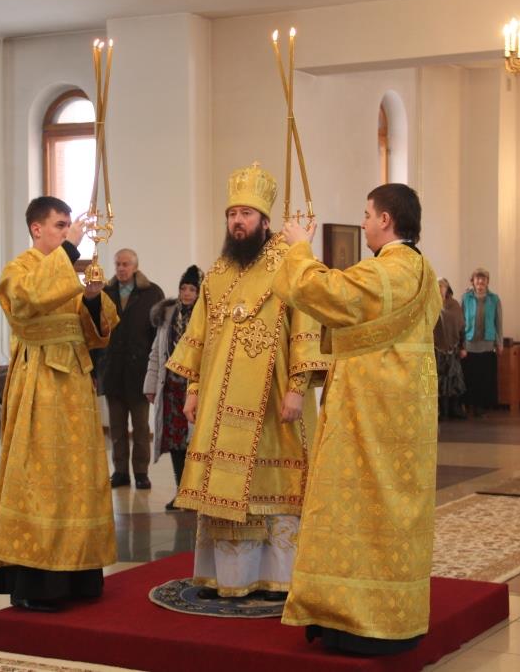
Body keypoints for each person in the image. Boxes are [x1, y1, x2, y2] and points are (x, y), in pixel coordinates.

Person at [274, 183, 442, 655]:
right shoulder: (424, 271)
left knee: (355, 509)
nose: (364, 223)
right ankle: (382, 611)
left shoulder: (389, 269)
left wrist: (300, 249)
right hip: (402, 412)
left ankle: (356, 619)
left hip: (370, 412)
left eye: (367, 215)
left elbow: (327, 294)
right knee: (387, 513)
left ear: (386, 220)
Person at [166, 162, 329, 600]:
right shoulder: (218, 272)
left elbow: (306, 327)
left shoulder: (290, 263)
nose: (238, 222)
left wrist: (297, 388)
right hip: (218, 404)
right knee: (222, 489)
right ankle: (228, 576)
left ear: (264, 221)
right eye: (232, 214)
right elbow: (198, 336)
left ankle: (279, 577)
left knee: (273, 490)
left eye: (246, 214)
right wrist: (193, 391)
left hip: (275, 401)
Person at [0, 196, 119, 612]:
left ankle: (79, 575)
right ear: (36, 228)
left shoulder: (68, 273)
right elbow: (27, 300)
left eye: (68, 226)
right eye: (60, 225)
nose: (66, 232)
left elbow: (98, 333)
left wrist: (94, 298)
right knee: (40, 479)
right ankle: (37, 580)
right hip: (40, 385)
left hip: (75, 388)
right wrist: (70, 250)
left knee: (78, 480)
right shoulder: (20, 269)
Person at [101, 249, 164, 489]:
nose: (121, 268)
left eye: (125, 264)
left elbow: (159, 334)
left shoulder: (152, 292)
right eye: (117, 264)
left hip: (140, 372)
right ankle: (120, 472)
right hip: (113, 370)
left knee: (140, 428)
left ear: (135, 266)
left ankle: (140, 472)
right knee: (116, 428)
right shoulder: (105, 292)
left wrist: (157, 371)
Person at [144, 264, 203, 511]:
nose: (187, 293)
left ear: (199, 292)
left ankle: (196, 493)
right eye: (183, 288)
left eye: (192, 289)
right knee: (176, 443)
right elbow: (156, 352)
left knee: (194, 443)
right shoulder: (168, 316)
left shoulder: (205, 317)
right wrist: (150, 384)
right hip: (170, 388)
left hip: (195, 389)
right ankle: (181, 491)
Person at [461, 267, 503, 416]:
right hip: (469, 343)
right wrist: (461, 344)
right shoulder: (465, 298)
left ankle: (482, 407)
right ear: (473, 281)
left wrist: (499, 343)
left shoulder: (494, 299)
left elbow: (498, 322)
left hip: (487, 344)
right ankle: (469, 405)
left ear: (487, 281)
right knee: (470, 377)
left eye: (483, 278)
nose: (480, 281)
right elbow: (461, 321)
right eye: (477, 278)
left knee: (484, 378)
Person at [435, 277, 467, 419]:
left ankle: (455, 409)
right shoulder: (432, 304)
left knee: (455, 379)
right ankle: (442, 411)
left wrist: (463, 346)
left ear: (447, 288)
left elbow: (462, 327)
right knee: (439, 380)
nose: (441, 289)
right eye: (438, 286)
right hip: (436, 349)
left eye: (443, 286)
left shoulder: (454, 305)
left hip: (453, 348)